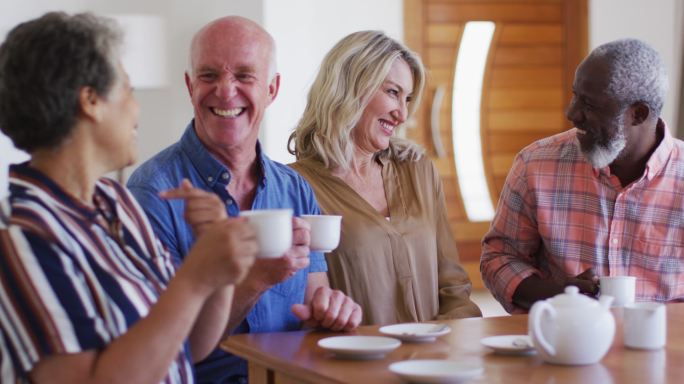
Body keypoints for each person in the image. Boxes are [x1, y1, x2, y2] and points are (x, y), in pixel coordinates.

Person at [0, 12, 258, 383]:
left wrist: (220, 269)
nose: (136, 109)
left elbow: (188, 344)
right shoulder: (22, 234)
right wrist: (196, 278)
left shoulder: (116, 202)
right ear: (90, 101)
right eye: (128, 90)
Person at [127, 16, 361, 383]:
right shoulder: (152, 194)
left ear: (272, 89)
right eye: (208, 75)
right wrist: (253, 282)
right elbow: (163, 349)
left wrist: (331, 309)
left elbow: (316, 295)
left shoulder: (295, 189)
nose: (225, 91)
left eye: (244, 76)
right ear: (190, 86)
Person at [288, 31, 482, 325]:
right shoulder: (296, 186)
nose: (402, 114)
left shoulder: (418, 170)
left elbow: (452, 284)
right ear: (350, 88)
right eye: (392, 92)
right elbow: (300, 302)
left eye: (408, 98)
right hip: (353, 363)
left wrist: (457, 343)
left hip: (433, 360)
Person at [480, 38, 684, 313]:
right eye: (575, 95)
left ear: (638, 114)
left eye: (590, 105)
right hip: (562, 345)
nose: (572, 113)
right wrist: (557, 295)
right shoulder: (536, 164)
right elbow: (499, 257)